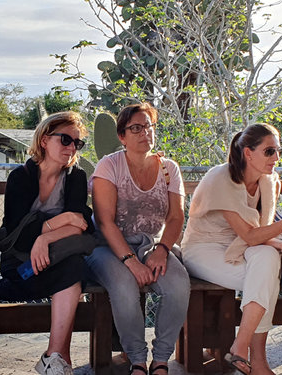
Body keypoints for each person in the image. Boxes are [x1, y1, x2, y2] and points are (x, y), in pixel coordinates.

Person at [181, 123, 282, 375]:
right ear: (248, 153)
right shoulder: (221, 178)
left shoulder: (269, 181)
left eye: (278, 151)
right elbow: (250, 235)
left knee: (267, 261)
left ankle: (241, 348)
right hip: (205, 247)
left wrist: (281, 243)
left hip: (246, 245)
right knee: (265, 277)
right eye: (269, 151)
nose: (277, 158)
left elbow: (259, 232)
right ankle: (256, 361)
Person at [86, 103, 191, 375]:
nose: (145, 133)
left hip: (150, 244)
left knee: (178, 284)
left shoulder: (169, 169)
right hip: (106, 246)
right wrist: (131, 262)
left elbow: (177, 217)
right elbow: (105, 222)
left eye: (149, 126)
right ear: (122, 136)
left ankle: (161, 360)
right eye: (136, 128)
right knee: (123, 285)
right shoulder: (109, 166)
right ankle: (137, 360)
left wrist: (163, 249)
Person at [0, 111, 94, 375]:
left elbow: (82, 226)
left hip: (56, 259)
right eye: (65, 140)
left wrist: (44, 237)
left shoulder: (76, 177)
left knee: (73, 268)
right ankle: (57, 360)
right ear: (44, 140)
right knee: (73, 275)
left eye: (77, 143)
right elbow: (19, 235)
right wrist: (64, 220)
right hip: (20, 265)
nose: (72, 147)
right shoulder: (20, 178)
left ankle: (55, 359)